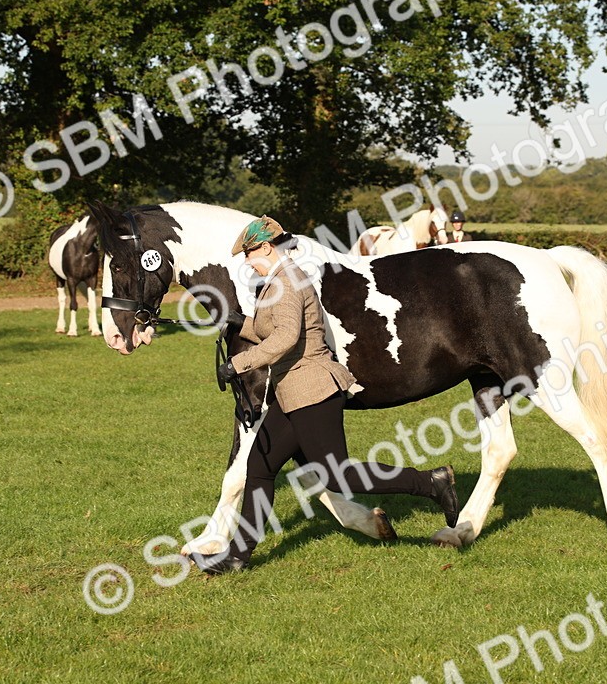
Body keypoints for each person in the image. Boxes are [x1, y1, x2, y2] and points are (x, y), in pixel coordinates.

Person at [191, 216, 460, 574]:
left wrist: (239, 364)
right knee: (259, 467)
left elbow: (285, 338)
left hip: (312, 390)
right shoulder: (278, 280)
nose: (247, 262)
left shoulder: (285, 281)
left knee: (337, 475)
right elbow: (272, 327)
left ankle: (431, 483)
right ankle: (239, 557)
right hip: (291, 392)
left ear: (266, 247)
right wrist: (241, 323)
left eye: (249, 254)